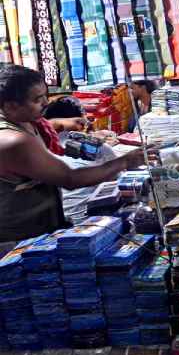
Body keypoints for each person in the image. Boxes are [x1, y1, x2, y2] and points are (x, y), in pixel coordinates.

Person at [0, 66, 145, 243]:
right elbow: (70, 179)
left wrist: (59, 123)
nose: (46, 103)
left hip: (46, 227)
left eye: (45, 95)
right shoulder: (13, 141)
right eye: (38, 99)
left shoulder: (25, 121)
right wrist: (125, 161)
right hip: (19, 240)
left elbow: (40, 131)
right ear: (11, 105)